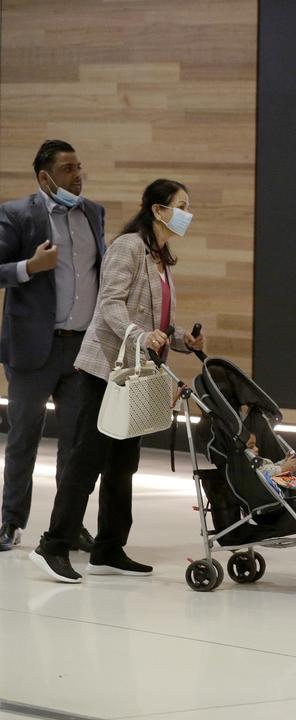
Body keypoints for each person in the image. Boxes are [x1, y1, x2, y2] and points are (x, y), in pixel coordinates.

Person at [30, 179, 206, 583]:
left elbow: (155, 321)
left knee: (123, 464)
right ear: (157, 208)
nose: (186, 213)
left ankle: (109, 548)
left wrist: (181, 340)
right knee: (87, 460)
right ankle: (53, 545)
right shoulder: (128, 247)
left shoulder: (159, 256)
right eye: (180, 205)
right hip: (106, 369)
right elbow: (109, 305)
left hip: (136, 372)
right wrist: (140, 336)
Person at [0, 139, 106, 553]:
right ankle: (10, 522)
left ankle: (67, 526)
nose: (77, 175)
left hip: (81, 349)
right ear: (44, 176)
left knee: (76, 445)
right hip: (32, 349)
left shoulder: (93, 212)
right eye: (67, 169)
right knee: (24, 438)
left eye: (79, 166)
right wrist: (29, 267)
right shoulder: (16, 213)